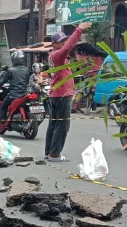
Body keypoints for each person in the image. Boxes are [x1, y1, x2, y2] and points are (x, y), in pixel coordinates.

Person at [44, 23, 92, 162]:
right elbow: (68, 47)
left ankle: (50, 152)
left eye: (65, 40)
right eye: (61, 41)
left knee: (54, 124)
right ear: (54, 44)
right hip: (62, 94)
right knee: (62, 124)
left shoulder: (56, 57)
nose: (64, 43)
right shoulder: (58, 55)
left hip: (57, 94)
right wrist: (79, 30)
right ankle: (54, 154)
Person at [0, 50, 30, 136]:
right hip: (24, 94)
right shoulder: (26, 70)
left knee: (2, 108)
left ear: (14, 60)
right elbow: (26, 82)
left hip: (13, 95)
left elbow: (2, 82)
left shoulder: (11, 70)